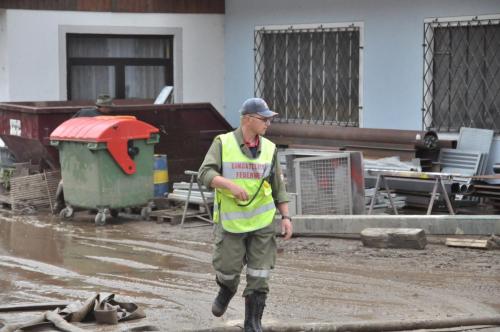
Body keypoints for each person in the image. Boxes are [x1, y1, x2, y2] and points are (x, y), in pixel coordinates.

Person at [198, 97, 293, 332]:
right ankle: (226, 289)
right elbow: (204, 173)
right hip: (232, 222)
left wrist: (286, 217)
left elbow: (278, 187)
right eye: (264, 119)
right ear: (247, 119)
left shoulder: (269, 148)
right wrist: (228, 185)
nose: (268, 123)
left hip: (262, 222)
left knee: (260, 274)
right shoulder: (223, 143)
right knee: (228, 270)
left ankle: (253, 324)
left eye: (269, 119)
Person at [54, 94, 114, 213]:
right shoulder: (105, 120)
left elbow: (68, 126)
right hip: (89, 153)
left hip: (73, 150)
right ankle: (93, 205)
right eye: (109, 107)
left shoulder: (82, 112)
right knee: (95, 179)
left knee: (68, 178)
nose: (110, 110)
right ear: (103, 107)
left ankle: (59, 203)